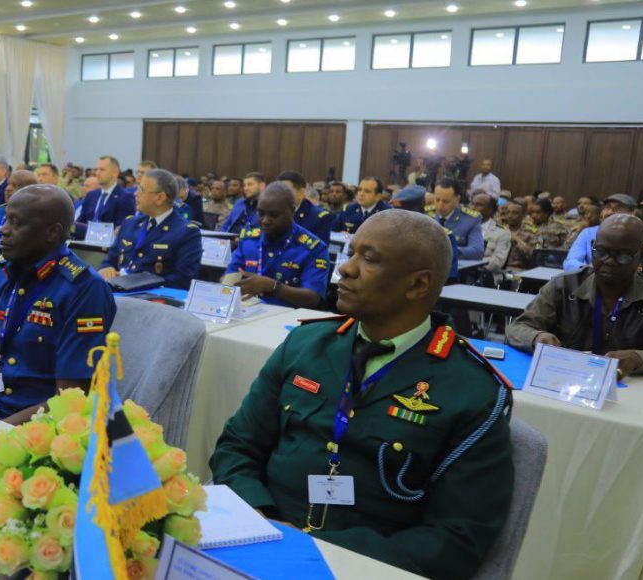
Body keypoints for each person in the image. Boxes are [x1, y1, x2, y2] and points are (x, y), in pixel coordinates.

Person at [210, 209, 514, 579]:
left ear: (418, 285)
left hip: (362, 567)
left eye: (369, 259)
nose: (345, 269)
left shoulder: (470, 390)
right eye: (351, 252)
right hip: (261, 539)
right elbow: (237, 446)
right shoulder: (305, 345)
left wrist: (319, 550)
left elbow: (458, 538)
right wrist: (257, 514)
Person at [0, 184, 116, 424]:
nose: (4, 230)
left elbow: (70, 399)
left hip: (45, 425)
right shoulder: (6, 275)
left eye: (16, 223)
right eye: (5, 220)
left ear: (52, 233)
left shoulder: (84, 289)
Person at [507, 215, 643, 377]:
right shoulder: (564, 286)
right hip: (565, 379)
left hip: (629, 385)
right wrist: (537, 337)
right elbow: (517, 328)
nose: (610, 261)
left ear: (641, 255)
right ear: (593, 247)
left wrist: (639, 358)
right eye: (601, 252)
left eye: (623, 256)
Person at [224, 181, 329, 308]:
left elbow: (313, 298)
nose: (265, 220)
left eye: (274, 215)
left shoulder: (313, 248)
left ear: (292, 211)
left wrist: (272, 286)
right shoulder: (249, 240)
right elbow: (229, 280)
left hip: (289, 316)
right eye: (261, 213)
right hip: (247, 311)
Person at [98, 169, 203, 289]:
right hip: (115, 290)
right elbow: (110, 259)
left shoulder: (186, 232)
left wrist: (132, 282)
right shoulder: (130, 223)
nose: (135, 193)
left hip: (152, 296)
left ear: (160, 198)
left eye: (141, 190)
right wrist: (106, 268)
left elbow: (183, 279)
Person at [564, 194, 637, 272]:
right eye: (607, 208)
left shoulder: (638, 236)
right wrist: (592, 271)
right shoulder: (588, 233)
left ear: (632, 213)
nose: (609, 212)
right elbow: (571, 262)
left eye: (618, 209)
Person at [0, 170, 37, 256]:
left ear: (30, 190)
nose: (8, 189)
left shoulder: (33, 217)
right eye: (8, 184)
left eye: (16, 185)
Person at [432, 178, 484, 260]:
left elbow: (477, 252)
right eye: (437, 200)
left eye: (445, 202)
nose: (440, 206)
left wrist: (446, 251)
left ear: (457, 200)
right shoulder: (426, 215)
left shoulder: (470, 220)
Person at [76, 156, 134, 228]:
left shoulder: (125, 198)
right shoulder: (91, 195)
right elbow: (81, 221)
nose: (97, 173)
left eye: (102, 170)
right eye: (97, 169)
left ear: (115, 172)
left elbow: (122, 227)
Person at [278, 170, 334, 243]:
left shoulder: (319, 217)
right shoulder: (273, 213)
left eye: (286, 190)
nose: (280, 194)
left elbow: (318, 247)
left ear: (301, 192)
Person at [471, 193, 511, 273]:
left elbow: (497, 262)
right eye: (472, 204)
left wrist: (470, 265)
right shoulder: (462, 226)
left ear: (491, 210)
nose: (473, 208)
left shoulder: (502, 232)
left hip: (485, 275)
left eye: (478, 205)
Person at [502, 199, 539, 271]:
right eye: (508, 212)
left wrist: (517, 240)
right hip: (498, 268)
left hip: (520, 269)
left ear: (523, 215)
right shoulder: (500, 230)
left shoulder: (531, 232)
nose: (510, 216)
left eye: (515, 213)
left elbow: (535, 256)